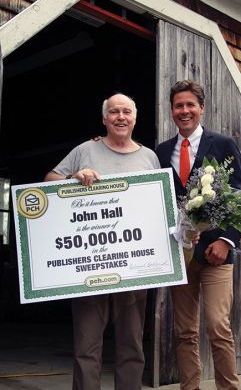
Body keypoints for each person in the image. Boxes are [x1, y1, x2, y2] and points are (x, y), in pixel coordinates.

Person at [45, 93, 161, 390]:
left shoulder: (149, 157)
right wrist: (73, 176)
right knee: (86, 345)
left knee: (132, 345)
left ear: (135, 118)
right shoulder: (86, 149)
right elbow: (48, 181)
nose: (120, 117)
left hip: (134, 269)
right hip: (89, 268)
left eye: (126, 112)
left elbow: (158, 207)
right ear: (104, 119)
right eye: (114, 112)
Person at [156, 80, 241, 390]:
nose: (184, 111)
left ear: (201, 108)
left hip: (216, 255)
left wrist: (226, 240)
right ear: (172, 111)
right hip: (179, 255)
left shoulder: (222, 145)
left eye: (190, 105)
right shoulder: (161, 152)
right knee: (184, 331)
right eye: (178, 106)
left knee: (218, 327)